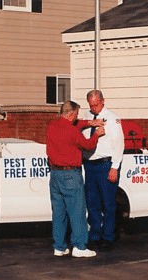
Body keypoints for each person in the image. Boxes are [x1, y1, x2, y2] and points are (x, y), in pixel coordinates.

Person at [46, 100, 105, 258]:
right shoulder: (72, 132)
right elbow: (87, 145)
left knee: (59, 212)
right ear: (71, 114)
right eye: (77, 115)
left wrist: (90, 122)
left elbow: (75, 125)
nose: (77, 118)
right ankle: (79, 246)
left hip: (55, 175)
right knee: (77, 211)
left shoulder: (52, 127)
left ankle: (59, 246)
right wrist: (97, 134)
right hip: (71, 174)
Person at [82, 90, 124, 251]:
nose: (94, 108)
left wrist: (114, 167)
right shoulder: (86, 117)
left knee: (108, 203)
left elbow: (119, 144)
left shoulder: (112, 118)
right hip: (89, 164)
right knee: (92, 203)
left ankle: (107, 236)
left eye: (96, 105)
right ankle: (94, 235)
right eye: (91, 105)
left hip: (105, 165)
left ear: (103, 101)